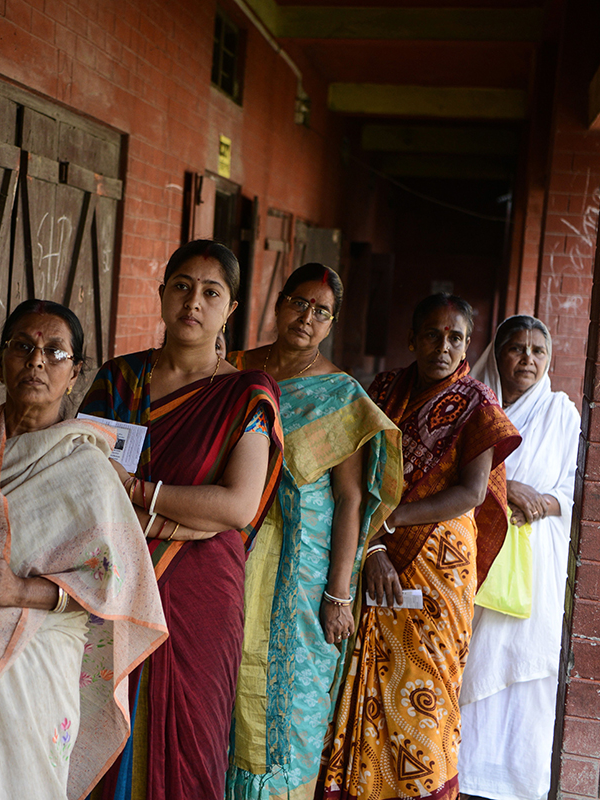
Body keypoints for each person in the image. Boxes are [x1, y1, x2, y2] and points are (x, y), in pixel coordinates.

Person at [0, 299, 168, 799]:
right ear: (1, 360)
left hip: (31, 665)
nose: (36, 361)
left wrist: (17, 589)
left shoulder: (87, 471)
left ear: (75, 371)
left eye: (54, 352)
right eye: (23, 346)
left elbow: (116, 584)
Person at [81, 240, 284, 800]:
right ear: (164, 293)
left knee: (190, 743)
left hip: (199, 595)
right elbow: (79, 476)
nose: (193, 301)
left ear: (230, 310)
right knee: (100, 735)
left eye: (211, 292)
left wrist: (139, 493)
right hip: (111, 580)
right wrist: (184, 517)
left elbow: (239, 505)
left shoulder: (247, 393)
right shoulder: (119, 381)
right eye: (182, 286)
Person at [321, 294, 521, 800]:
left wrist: (387, 522)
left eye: (455, 337)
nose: (442, 346)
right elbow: (356, 474)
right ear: (412, 339)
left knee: (427, 685)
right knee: (366, 672)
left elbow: (472, 493)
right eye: (431, 335)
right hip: (375, 553)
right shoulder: (384, 390)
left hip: (439, 566)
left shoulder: (478, 404)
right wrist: (372, 548)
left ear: (467, 345)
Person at [226, 264, 402, 800]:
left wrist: (338, 593)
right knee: (225, 683)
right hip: (228, 546)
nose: (307, 317)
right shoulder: (233, 368)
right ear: (278, 304)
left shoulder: (338, 395)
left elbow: (351, 498)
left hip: (302, 572)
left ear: (331, 323)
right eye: (299, 303)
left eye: (321, 311)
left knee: (289, 698)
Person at [458, 316, 580, 800]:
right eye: (516, 348)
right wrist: (506, 489)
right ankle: (462, 777)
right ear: (496, 353)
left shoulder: (561, 415)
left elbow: (575, 489)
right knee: (468, 664)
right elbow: (449, 475)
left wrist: (540, 503)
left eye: (537, 351)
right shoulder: (471, 404)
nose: (527, 358)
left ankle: (514, 785)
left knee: (523, 675)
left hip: (533, 565)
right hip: (472, 557)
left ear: (548, 360)